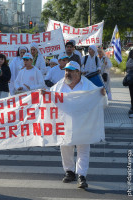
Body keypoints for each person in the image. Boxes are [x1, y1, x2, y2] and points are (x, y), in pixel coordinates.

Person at [50, 61, 106, 189]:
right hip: (65, 123)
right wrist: (44, 95)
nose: (67, 73)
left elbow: (101, 100)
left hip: (84, 123)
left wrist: (102, 95)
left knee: (83, 149)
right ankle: (69, 172)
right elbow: (50, 96)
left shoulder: (87, 85)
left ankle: (81, 175)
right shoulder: (59, 85)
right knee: (65, 147)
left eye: (70, 71)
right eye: (66, 70)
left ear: (78, 72)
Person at [126, 50, 133, 118]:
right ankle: (132, 108)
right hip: (131, 80)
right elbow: (127, 65)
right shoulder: (130, 59)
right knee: (132, 94)